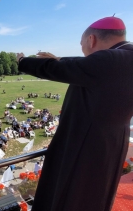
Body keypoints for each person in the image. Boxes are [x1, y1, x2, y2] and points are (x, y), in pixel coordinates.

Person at [16, 16, 133, 211]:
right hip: (111, 143)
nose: (83, 51)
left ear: (91, 40)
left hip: (83, 147)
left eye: (82, 45)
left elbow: (62, 69)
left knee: (69, 196)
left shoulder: (109, 60)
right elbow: (84, 66)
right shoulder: (124, 57)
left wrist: (23, 60)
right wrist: (60, 59)